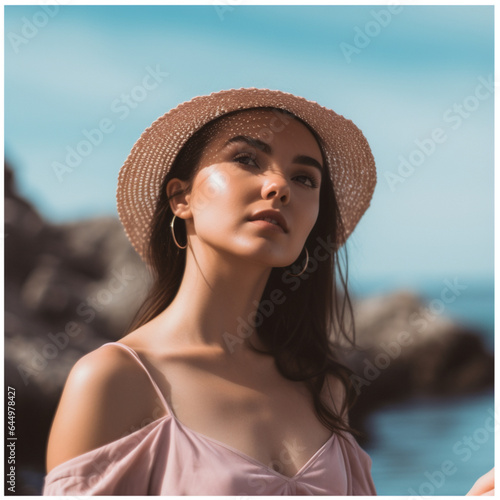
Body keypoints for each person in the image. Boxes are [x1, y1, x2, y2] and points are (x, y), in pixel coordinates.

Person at [41, 88, 493, 495]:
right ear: (181, 198)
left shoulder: (324, 389)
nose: (278, 187)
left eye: (305, 179)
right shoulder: (116, 379)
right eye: (246, 160)